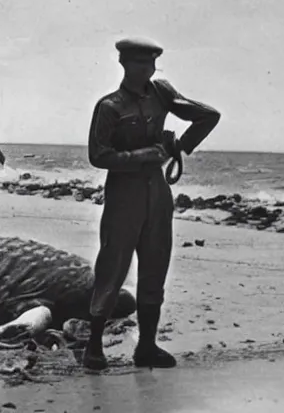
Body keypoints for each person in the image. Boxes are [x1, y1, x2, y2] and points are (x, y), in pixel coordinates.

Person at [82, 36, 221, 370]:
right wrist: (143, 155)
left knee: (155, 267)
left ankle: (146, 346)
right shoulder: (109, 106)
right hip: (123, 194)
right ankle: (93, 347)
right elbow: (98, 155)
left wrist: (180, 147)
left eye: (151, 64)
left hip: (158, 194)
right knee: (112, 268)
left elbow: (208, 116)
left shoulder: (161, 94)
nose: (147, 70)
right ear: (124, 65)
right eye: (140, 64)